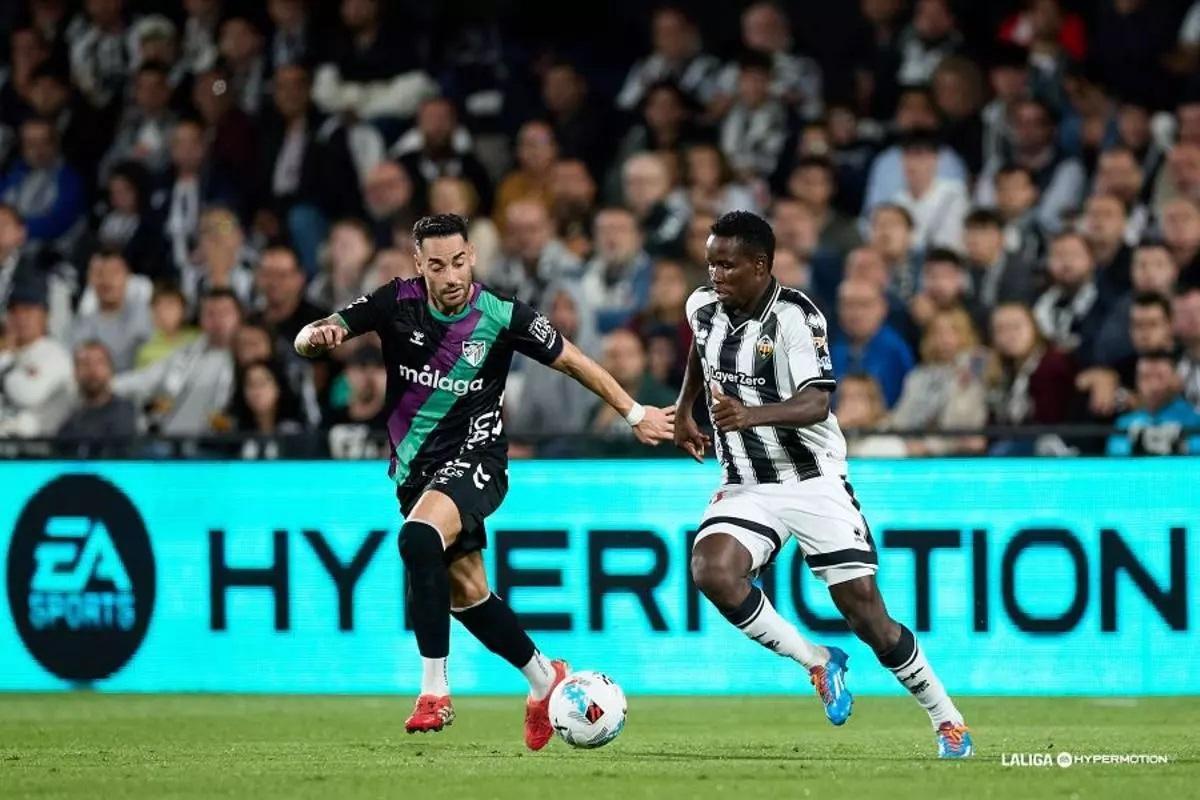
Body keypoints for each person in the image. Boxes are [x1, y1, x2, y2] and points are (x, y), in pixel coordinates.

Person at [293, 214, 674, 746]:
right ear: (419, 263)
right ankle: (545, 679)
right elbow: (311, 335)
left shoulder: (501, 313)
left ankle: (433, 691)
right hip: (415, 473)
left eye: (459, 262)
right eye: (437, 265)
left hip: (479, 457)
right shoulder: (394, 301)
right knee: (467, 593)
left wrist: (634, 413)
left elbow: (574, 362)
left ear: (471, 255)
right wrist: (318, 337)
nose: (450, 276)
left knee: (418, 537)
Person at [673, 210, 972, 758]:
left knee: (868, 616)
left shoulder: (795, 315)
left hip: (812, 480)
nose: (715, 275)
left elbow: (817, 401)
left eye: (728, 265)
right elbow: (699, 347)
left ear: (761, 266)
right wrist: (683, 409)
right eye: (711, 262)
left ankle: (945, 717)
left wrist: (749, 416)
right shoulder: (702, 307)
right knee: (711, 569)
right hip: (746, 482)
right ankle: (817, 660)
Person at [0, 282, 74, 436]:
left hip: (40, 447)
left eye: (28, 311)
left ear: (45, 316)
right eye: (14, 312)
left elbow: (27, 394)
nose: (20, 318)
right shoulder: (8, 353)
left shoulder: (55, 354)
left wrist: (6, 363)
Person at [1107, 352, 1200, 456]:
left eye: (1160, 377)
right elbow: (1115, 453)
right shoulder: (1125, 423)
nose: (1153, 385)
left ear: (1176, 380)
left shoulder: (1194, 420)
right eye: (1145, 377)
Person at [58, 340, 137, 441]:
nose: (92, 370)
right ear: (75, 373)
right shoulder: (70, 424)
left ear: (110, 370)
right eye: (85, 364)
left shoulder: (127, 414)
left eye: (99, 363)